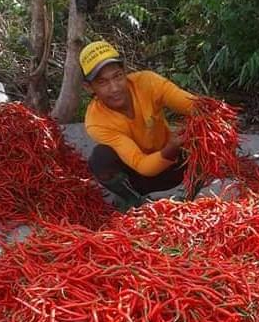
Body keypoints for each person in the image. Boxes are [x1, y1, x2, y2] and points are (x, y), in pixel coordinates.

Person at [80, 40, 197, 206]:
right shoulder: (96, 122)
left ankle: (189, 193)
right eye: (102, 82)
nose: (114, 88)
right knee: (101, 158)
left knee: (205, 136)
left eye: (117, 76)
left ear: (125, 72)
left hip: (177, 167)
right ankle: (134, 200)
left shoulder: (147, 82)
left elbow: (192, 105)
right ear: (89, 87)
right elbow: (142, 165)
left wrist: (215, 112)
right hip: (138, 177)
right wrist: (171, 148)